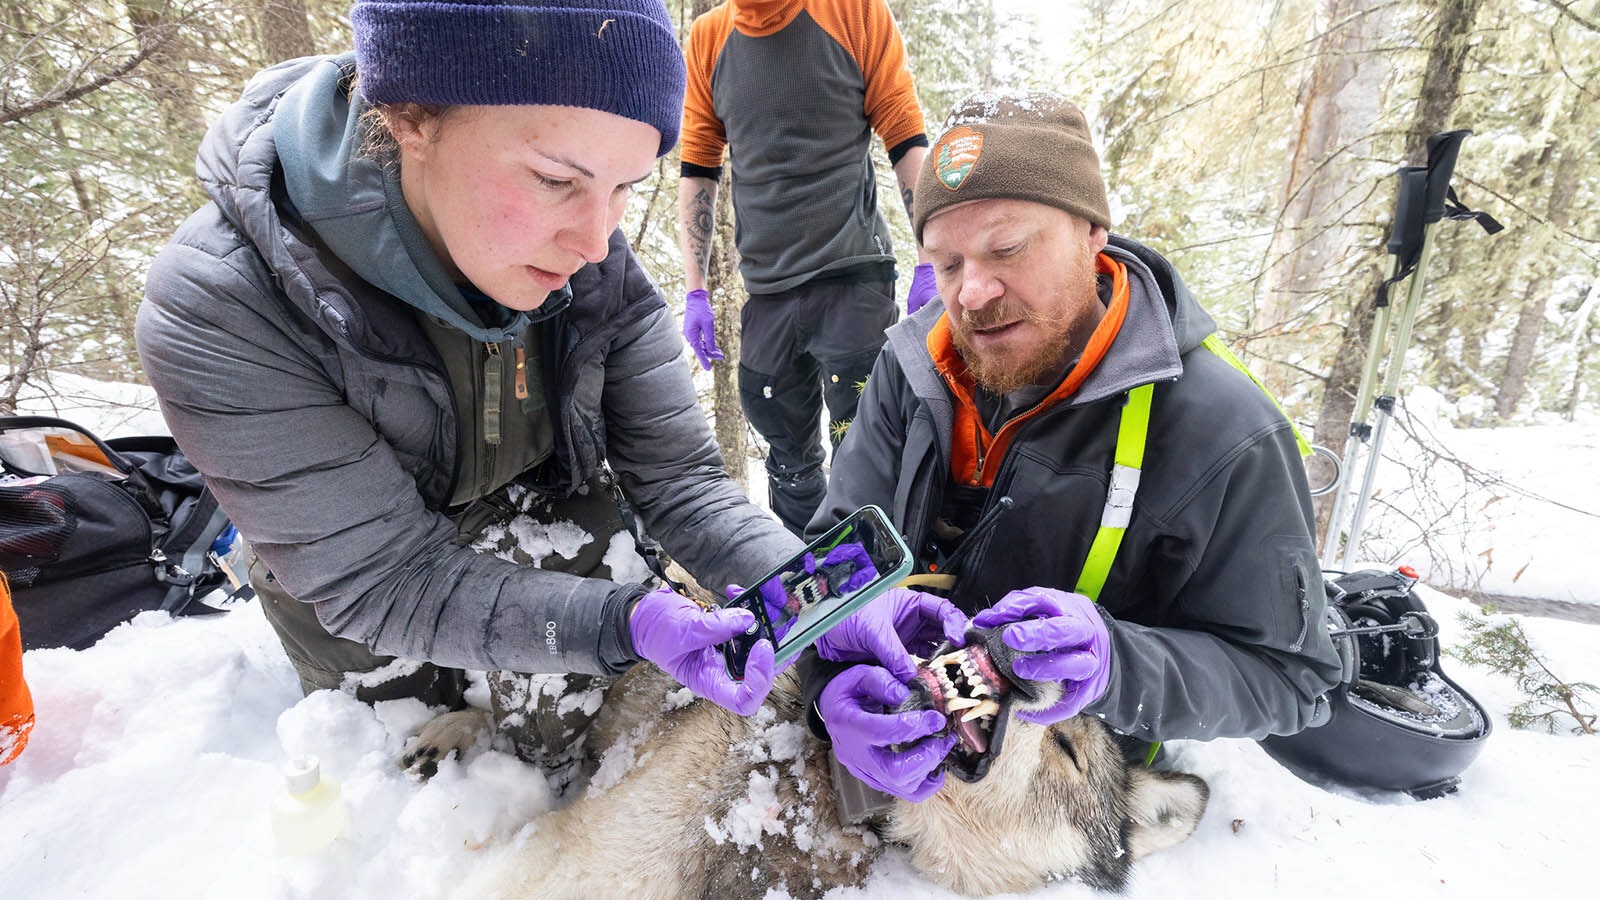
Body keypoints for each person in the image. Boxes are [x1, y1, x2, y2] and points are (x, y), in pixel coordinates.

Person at [135, 0, 804, 769]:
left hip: (547, 540)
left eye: (624, 187)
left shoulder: (593, 263)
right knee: (413, 761)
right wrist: (622, 626)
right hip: (369, 585)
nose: (595, 242)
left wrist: (818, 592)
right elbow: (383, 577)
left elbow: (682, 481)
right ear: (411, 115)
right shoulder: (222, 302)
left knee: (556, 753)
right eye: (557, 178)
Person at [798, 90, 1346, 802]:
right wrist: (827, 684)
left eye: (1008, 248)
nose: (972, 293)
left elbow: (1290, 677)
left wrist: (1119, 665)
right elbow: (832, 560)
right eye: (948, 261)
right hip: (904, 749)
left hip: (1065, 787)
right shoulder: (911, 369)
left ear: (1093, 231)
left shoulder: (1224, 429)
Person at [676, 0, 937, 536]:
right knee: (787, 454)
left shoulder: (853, 12)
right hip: (768, 289)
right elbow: (698, 168)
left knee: (863, 448)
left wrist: (932, 258)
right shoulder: (708, 39)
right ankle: (806, 580)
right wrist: (695, 291)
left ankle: (875, 584)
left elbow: (906, 136)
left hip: (852, 278)